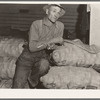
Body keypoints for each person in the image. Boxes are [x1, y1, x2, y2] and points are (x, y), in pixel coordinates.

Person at [12, 4, 65, 88]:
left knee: (44, 65)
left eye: (58, 13)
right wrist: (52, 41)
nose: (56, 15)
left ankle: (32, 80)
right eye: (54, 11)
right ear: (47, 11)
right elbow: (32, 47)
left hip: (43, 56)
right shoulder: (36, 24)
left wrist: (54, 46)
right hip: (27, 57)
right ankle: (28, 79)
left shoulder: (60, 26)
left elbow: (57, 45)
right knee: (17, 86)